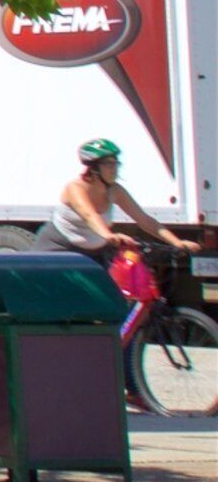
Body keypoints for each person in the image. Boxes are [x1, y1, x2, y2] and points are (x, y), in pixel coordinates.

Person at [43, 138, 199, 415]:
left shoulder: (115, 191)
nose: (115, 168)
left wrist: (177, 242)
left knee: (123, 315)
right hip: (58, 252)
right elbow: (90, 216)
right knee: (70, 313)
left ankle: (132, 389)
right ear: (93, 167)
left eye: (116, 162)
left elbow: (146, 221)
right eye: (109, 163)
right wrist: (109, 235)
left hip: (92, 254)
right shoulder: (76, 188)